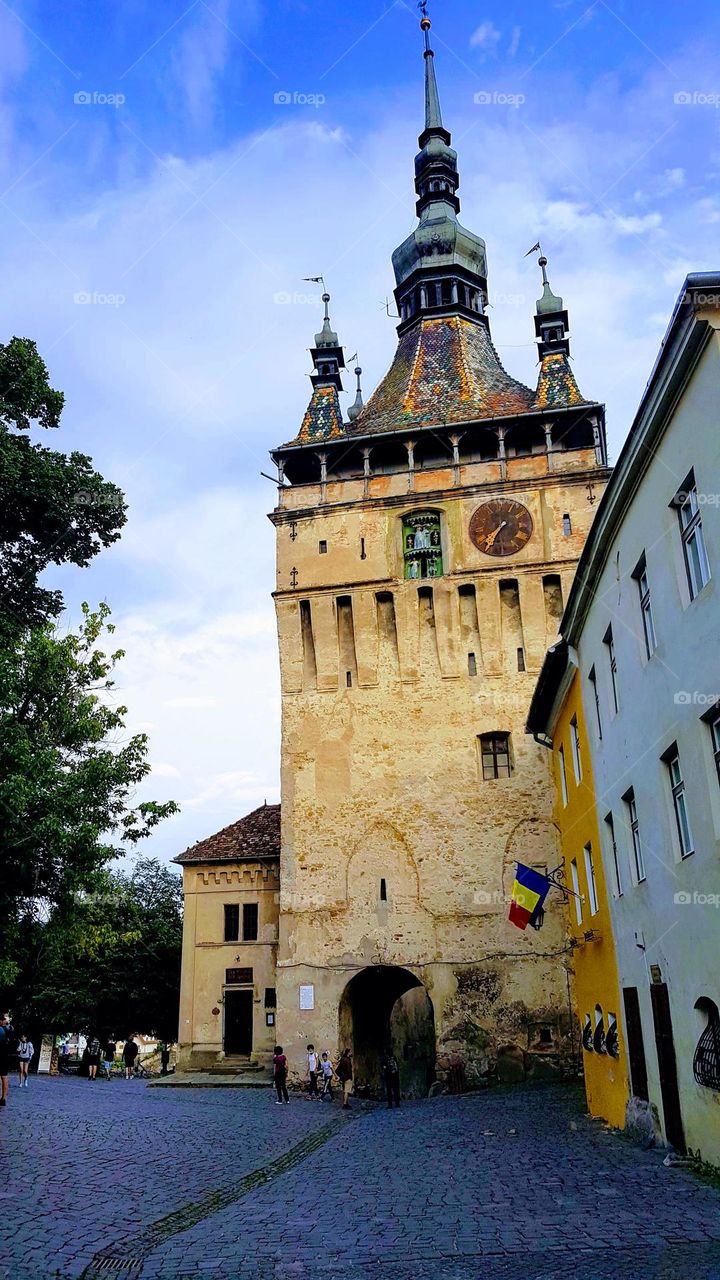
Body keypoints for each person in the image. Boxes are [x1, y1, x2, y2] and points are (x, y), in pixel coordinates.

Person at [0, 1014, 14, 1106]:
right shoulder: (10, 1029)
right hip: (6, 1055)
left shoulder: (1, 1030)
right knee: (4, 1077)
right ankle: (4, 1098)